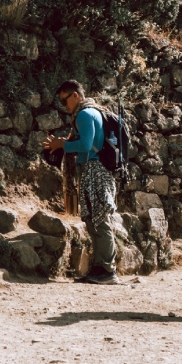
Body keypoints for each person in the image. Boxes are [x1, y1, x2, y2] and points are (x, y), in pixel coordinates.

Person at [43, 80, 119, 285]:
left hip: (95, 171)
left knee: (100, 220)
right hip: (96, 171)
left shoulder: (84, 114)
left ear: (75, 95)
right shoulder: (92, 112)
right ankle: (101, 267)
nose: (64, 106)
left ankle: (107, 270)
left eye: (65, 100)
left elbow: (85, 145)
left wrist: (62, 144)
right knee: (95, 219)